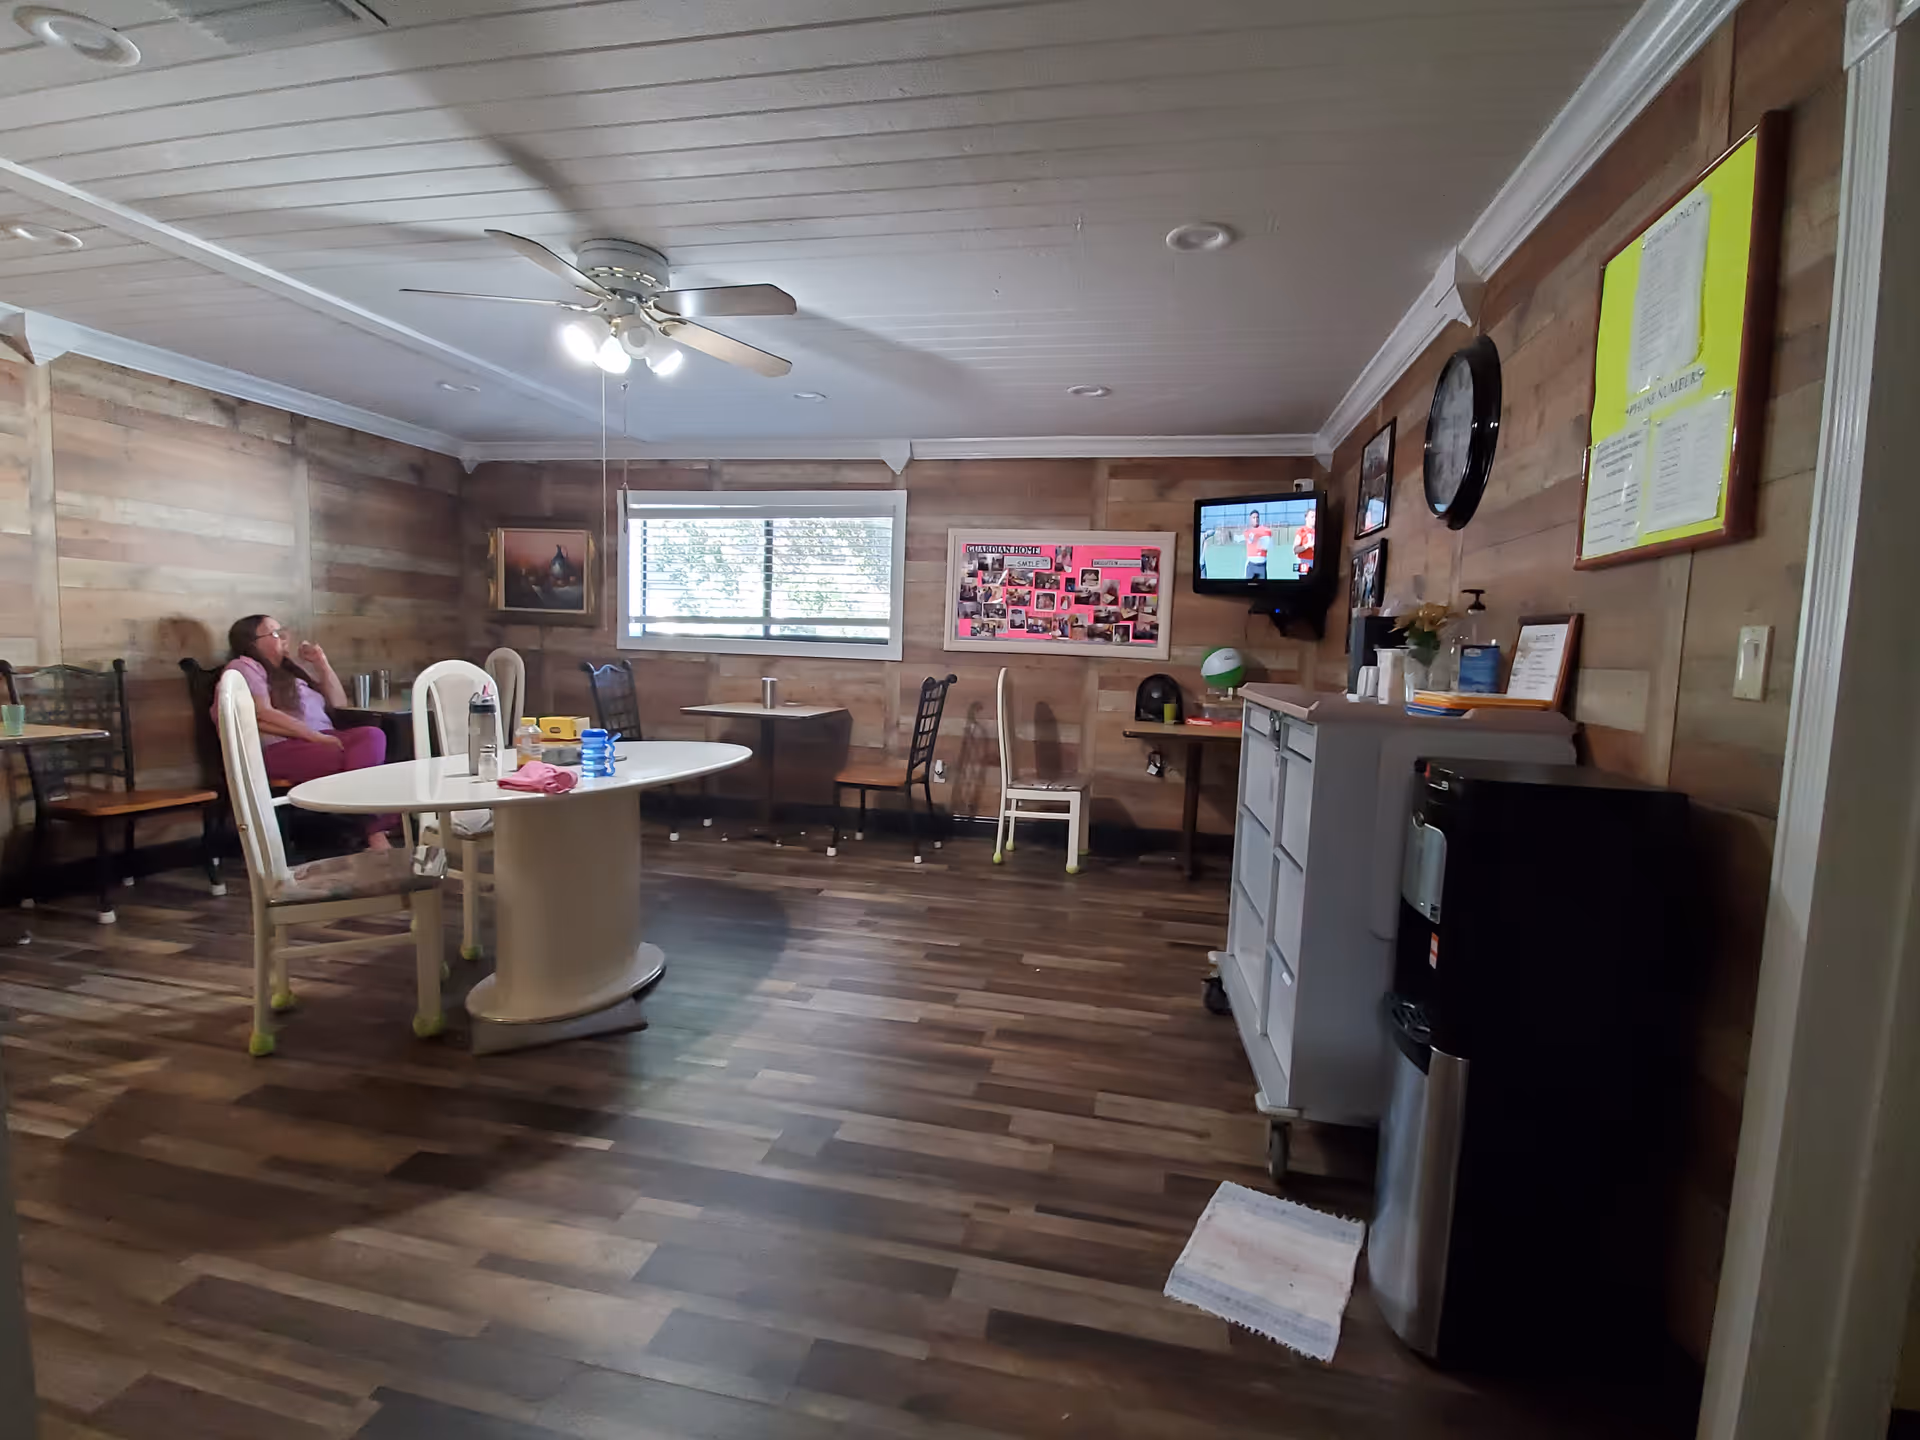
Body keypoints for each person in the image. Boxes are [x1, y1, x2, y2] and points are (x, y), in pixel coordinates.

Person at [220, 614, 393, 848]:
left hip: (321, 739)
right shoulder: (244, 666)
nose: (283, 637)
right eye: (273, 633)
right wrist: (314, 736)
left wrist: (320, 662)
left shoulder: (292, 672)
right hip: (281, 747)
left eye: (282, 630)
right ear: (252, 642)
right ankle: (373, 831)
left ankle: (359, 819)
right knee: (362, 763)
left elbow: (338, 702)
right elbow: (262, 712)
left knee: (373, 735)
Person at [1241, 510, 1274, 580]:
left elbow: (1267, 545)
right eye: (1253, 518)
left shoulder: (1266, 531)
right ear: (1250, 519)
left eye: (1257, 517)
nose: (1256, 519)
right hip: (1251, 565)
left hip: (1262, 565)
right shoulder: (1247, 532)